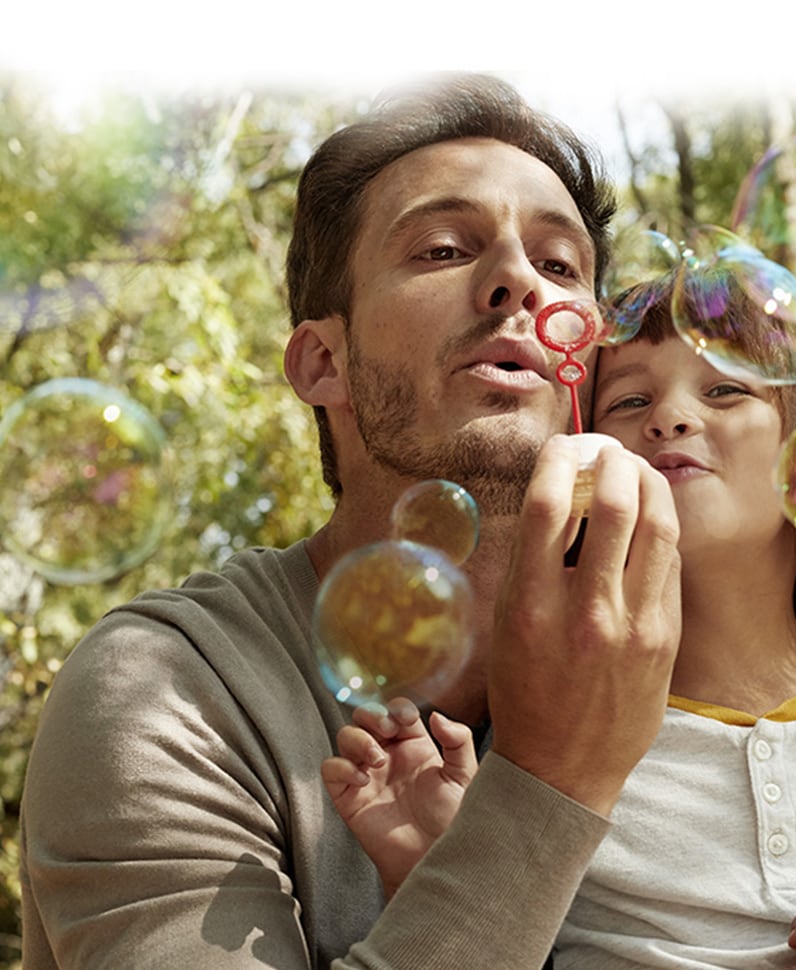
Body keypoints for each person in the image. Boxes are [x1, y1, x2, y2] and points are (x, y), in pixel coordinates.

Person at [18, 72, 683, 970]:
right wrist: (555, 782)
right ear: (323, 361)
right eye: (445, 249)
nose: (518, 281)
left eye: (560, 265)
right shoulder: (169, 689)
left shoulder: (684, 653)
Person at [322, 285, 796, 969]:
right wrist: (429, 873)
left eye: (725, 390)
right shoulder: (540, 736)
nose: (669, 418)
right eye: (629, 400)